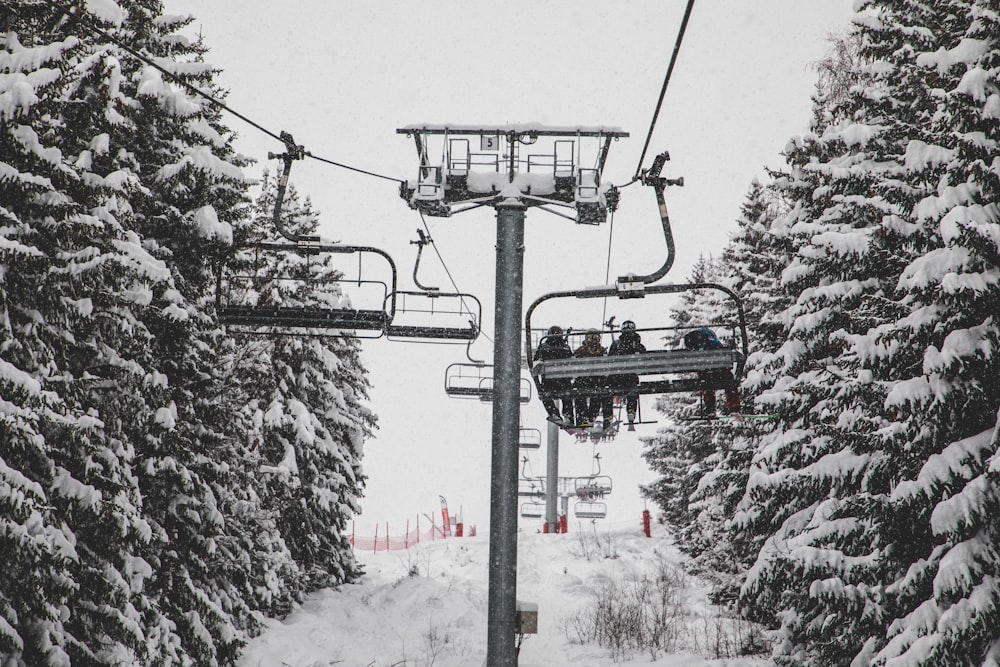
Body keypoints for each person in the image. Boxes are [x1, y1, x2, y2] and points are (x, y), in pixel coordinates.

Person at [683, 326, 741, 416]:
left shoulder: (691, 342)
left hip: (705, 371)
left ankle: (710, 408)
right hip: (719, 368)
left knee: (706, 382)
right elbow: (723, 352)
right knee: (729, 380)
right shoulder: (711, 339)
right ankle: (734, 407)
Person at [533, 325, 574, 425]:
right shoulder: (565, 347)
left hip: (549, 384)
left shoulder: (543, 346)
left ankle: (554, 413)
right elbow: (571, 362)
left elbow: (535, 362)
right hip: (564, 384)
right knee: (567, 395)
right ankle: (568, 415)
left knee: (544, 394)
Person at [608, 320, 646, 426]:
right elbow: (644, 356)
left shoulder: (617, 344)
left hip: (618, 377)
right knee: (632, 389)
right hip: (627, 377)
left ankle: (609, 414)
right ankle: (631, 411)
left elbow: (610, 359)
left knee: (607, 391)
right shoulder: (635, 344)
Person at [574, 329, 612, 428]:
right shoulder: (602, 351)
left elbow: (573, 366)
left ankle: (583, 417)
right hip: (597, 381)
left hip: (584, 381)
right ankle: (592, 416)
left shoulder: (581, 351)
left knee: (580, 394)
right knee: (598, 393)